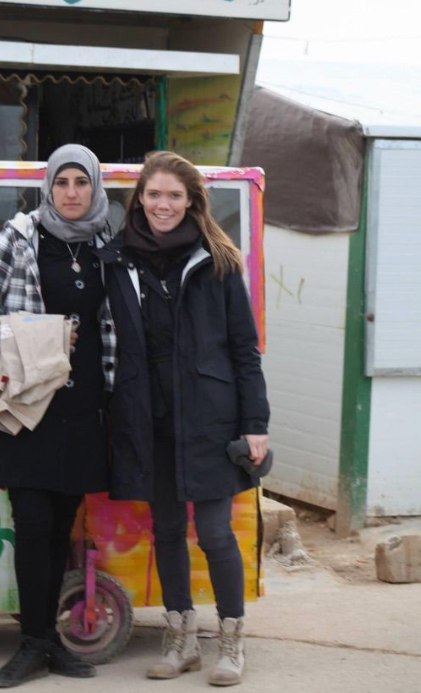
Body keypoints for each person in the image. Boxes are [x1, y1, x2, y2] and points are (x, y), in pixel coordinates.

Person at [98, 151, 270, 687]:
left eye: (174, 195)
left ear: (192, 200)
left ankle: (232, 642)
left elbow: (245, 349)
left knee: (216, 534)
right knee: (167, 530)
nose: (163, 205)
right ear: (139, 200)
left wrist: (255, 422)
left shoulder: (218, 260)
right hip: (149, 416)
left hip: (210, 420)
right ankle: (181, 640)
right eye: (153, 195)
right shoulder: (117, 260)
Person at [0, 144, 115, 689]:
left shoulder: (106, 244)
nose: (71, 192)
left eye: (81, 182)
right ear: (47, 187)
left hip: (84, 404)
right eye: (62, 183)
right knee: (30, 522)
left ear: (95, 187)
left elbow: (112, 326)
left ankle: (49, 642)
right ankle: (29, 644)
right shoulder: (20, 236)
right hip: (28, 403)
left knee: (59, 529)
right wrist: (35, 332)